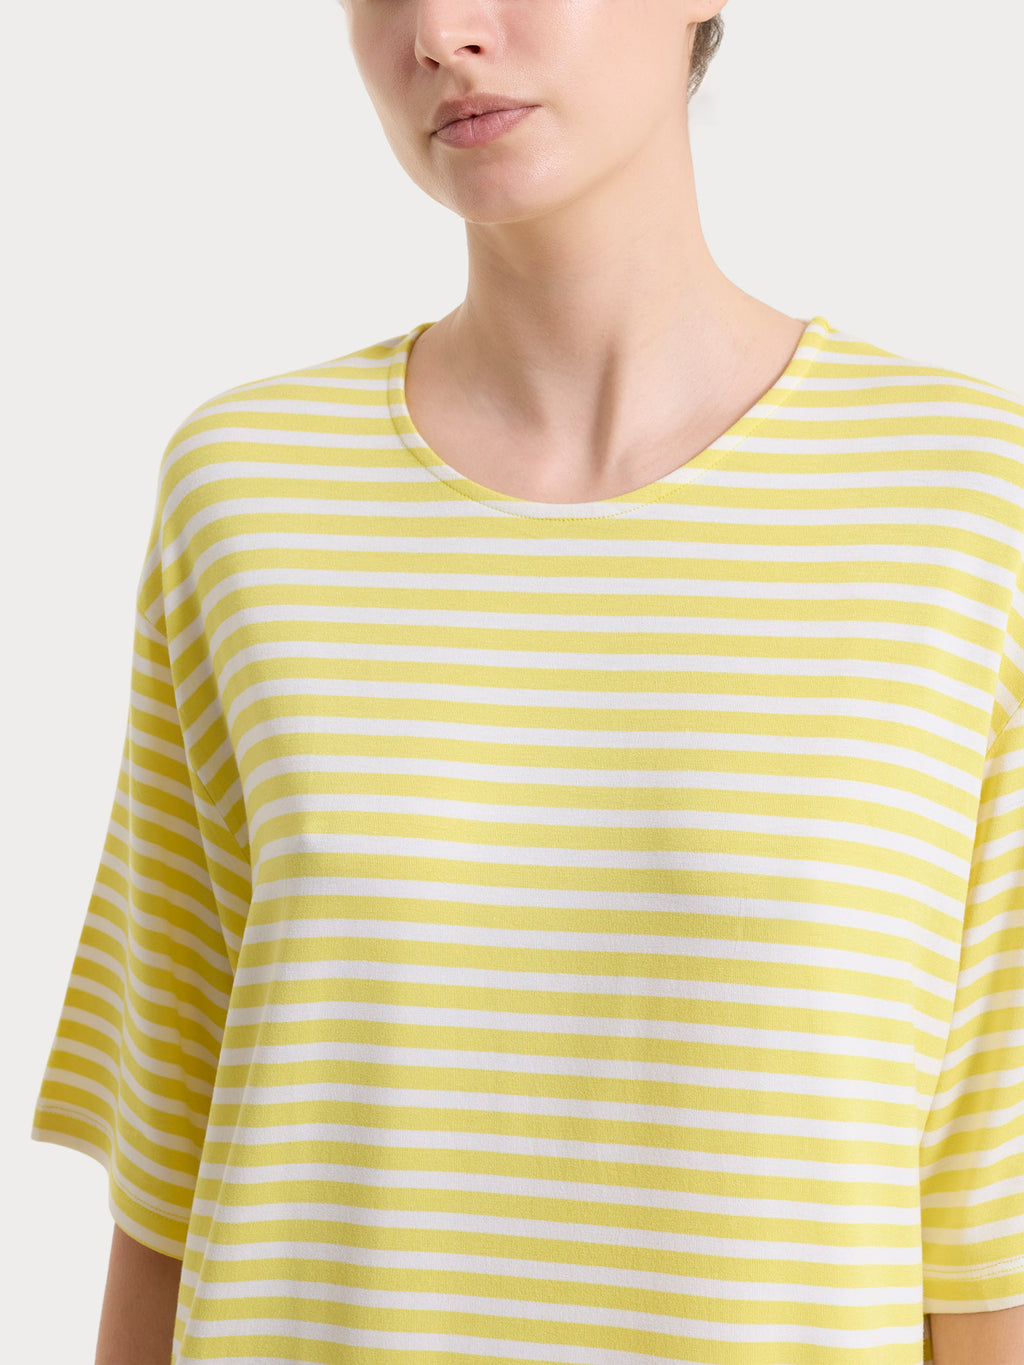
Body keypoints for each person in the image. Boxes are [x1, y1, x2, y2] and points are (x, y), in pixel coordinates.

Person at [30, 3, 1024, 1363]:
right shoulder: (245, 494)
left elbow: (989, 1217)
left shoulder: (965, 503)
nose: (442, 32)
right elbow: (170, 1163)